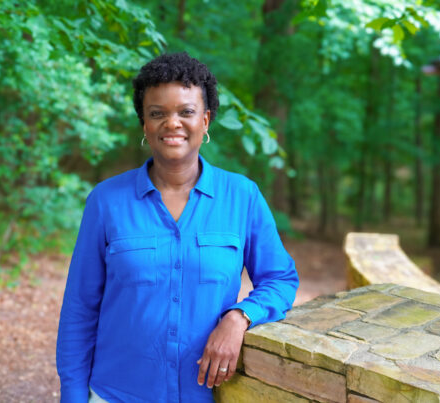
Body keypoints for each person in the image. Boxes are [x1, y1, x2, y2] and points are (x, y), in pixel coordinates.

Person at [56, 52, 298, 403]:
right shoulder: (106, 201)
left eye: (186, 111)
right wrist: (73, 397)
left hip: (206, 396)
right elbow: (80, 308)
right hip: (116, 394)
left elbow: (280, 279)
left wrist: (240, 316)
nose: (172, 123)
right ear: (144, 124)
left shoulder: (242, 196)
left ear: (205, 120)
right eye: (158, 113)